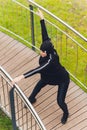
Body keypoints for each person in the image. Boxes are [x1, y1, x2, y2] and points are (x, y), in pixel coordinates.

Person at [12, 9, 70, 124]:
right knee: (38, 86)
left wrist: (20, 77)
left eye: (42, 52)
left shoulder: (50, 61)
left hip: (62, 79)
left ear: (47, 53)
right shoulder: (48, 45)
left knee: (60, 101)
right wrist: (41, 18)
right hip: (48, 76)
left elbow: (36, 70)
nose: (41, 53)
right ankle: (31, 99)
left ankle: (66, 113)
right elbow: (45, 34)